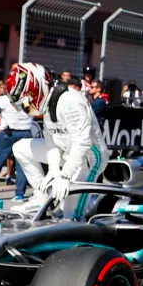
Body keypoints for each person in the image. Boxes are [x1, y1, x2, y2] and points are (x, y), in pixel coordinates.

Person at [9, 63, 108, 218]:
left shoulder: (70, 101)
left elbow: (82, 142)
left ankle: (80, 216)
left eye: (25, 101)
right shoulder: (50, 102)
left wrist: (65, 175)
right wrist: (54, 170)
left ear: (36, 87)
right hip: (66, 151)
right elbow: (51, 141)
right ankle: (41, 197)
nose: (26, 106)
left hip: (89, 157)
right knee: (20, 147)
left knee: (71, 216)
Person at [0, 73, 34, 203]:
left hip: (8, 134)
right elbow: (35, 113)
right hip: (25, 133)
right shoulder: (27, 99)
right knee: (23, 164)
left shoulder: (3, 99)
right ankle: (20, 194)